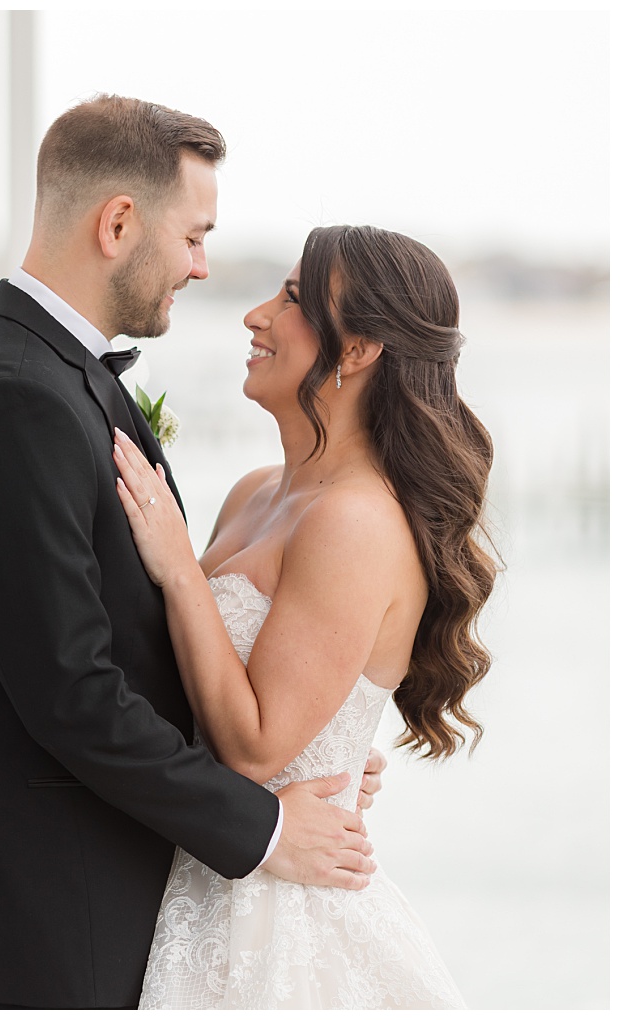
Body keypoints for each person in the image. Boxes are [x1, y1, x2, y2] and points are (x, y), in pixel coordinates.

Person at [0, 94, 384, 1010]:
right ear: (118, 223)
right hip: (51, 912)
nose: (203, 268)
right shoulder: (20, 397)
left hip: (97, 894)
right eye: (194, 237)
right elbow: (72, 694)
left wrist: (311, 742)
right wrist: (266, 829)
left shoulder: (59, 375)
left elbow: (130, 640)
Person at [122, 225, 491, 1008]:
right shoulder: (255, 493)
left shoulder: (356, 522)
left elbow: (255, 748)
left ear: (356, 351)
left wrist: (178, 569)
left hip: (277, 922)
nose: (255, 316)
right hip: (200, 876)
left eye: (291, 298)